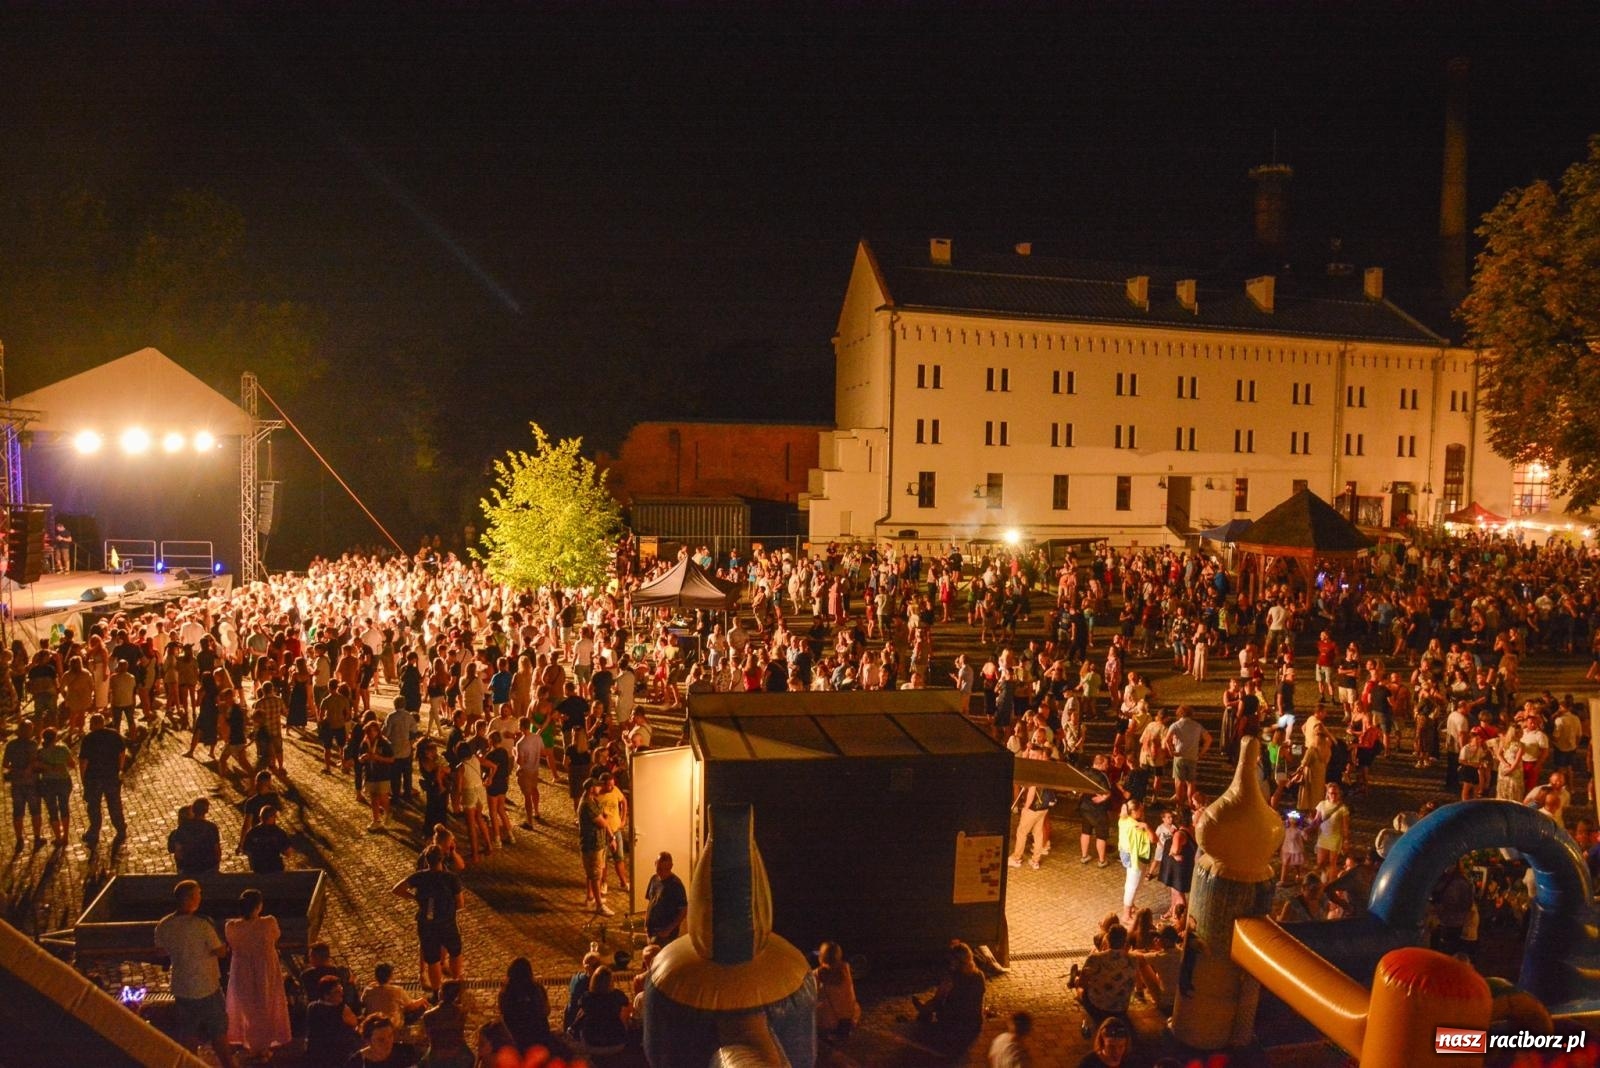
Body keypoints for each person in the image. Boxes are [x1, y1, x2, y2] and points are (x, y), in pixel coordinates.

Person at [154, 880, 236, 1068]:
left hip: (181, 987)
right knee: (218, 1030)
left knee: (188, 1032)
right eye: (198, 894)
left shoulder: (164, 925)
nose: (200, 897)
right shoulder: (201, 925)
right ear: (190, 899)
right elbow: (220, 951)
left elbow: (160, 952)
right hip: (206, 986)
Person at [225, 888, 292, 1058]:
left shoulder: (232, 927)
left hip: (242, 970)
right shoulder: (268, 923)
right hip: (265, 969)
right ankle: (261, 1046)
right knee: (265, 1005)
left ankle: (254, 1044)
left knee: (248, 1007)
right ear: (258, 906)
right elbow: (275, 936)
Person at [394, 845, 464, 996]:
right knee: (455, 952)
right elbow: (460, 903)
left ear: (426, 860)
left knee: (432, 959)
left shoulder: (419, 877)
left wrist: (415, 898)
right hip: (447, 923)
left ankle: (436, 991)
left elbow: (397, 889)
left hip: (426, 924)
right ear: (441, 859)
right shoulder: (450, 878)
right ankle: (456, 984)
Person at [911, 941, 986, 1055]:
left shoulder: (952, 977)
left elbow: (939, 999)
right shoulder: (979, 975)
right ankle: (925, 1009)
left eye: (951, 959)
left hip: (956, 1021)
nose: (950, 962)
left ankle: (924, 1010)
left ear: (956, 961)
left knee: (936, 1004)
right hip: (975, 1020)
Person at [1072, 923, 1137, 1037]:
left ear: (1107, 939)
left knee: (1079, 986)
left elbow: (1083, 982)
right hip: (1121, 1007)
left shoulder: (1096, 958)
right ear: (1124, 942)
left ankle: (1074, 983)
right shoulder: (1134, 959)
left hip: (1099, 1006)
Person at [77, 712, 128, 846]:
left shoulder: (88, 739)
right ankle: (120, 828)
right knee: (114, 804)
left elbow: (83, 762)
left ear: (93, 724)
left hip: (94, 778)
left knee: (94, 806)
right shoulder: (114, 735)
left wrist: (83, 779)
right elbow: (122, 753)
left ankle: (94, 832)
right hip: (111, 776)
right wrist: (120, 769)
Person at [569, 965, 630, 1055]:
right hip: (617, 1043)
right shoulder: (617, 995)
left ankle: (572, 1030)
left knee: (582, 1012)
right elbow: (626, 1007)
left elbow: (580, 1011)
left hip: (591, 1044)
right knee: (624, 1011)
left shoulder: (587, 997)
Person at [497, 957, 554, 1053]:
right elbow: (546, 1011)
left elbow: (503, 1012)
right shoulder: (537, 989)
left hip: (514, 1037)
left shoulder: (505, 992)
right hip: (538, 1036)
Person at [4, 718, 43, 851]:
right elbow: (36, 762)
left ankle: (19, 839)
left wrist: (16, 769)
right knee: (35, 811)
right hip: (32, 782)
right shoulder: (32, 745)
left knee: (18, 812)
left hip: (17, 783)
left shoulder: (11, 745)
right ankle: (37, 838)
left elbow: (5, 764)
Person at [305, 975, 361, 1067]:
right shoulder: (341, 1009)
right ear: (326, 995)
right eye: (337, 992)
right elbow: (354, 1022)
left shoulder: (311, 1007)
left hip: (315, 1054)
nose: (341, 994)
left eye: (341, 990)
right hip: (337, 1055)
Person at [1163, 704, 1212, 809]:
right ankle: (1191, 804)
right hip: (1192, 757)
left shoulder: (1175, 725)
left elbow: (1167, 740)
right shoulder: (1197, 726)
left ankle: (1179, 806)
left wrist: (1172, 752)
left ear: (1179, 714)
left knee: (1179, 782)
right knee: (1191, 783)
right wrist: (1201, 752)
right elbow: (1208, 739)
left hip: (1179, 757)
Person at [578, 776, 613, 916]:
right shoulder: (587, 804)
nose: (600, 788)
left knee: (593, 873)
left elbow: (603, 815)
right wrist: (612, 835)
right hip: (592, 845)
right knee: (595, 875)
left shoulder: (593, 801)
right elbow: (602, 822)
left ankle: (591, 897)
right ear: (592, 789)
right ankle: (599, 905)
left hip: (598, 843)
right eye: (597, 786)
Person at [35, 726, 75, 847]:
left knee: (52, 811)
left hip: (48, 783)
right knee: (64, 807)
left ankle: (58, 837)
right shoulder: (63, 749)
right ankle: (65, 836)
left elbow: (37, 767)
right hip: (63, 781)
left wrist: (47, 767)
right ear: (55, 737)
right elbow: (72, 764)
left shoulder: (40, 752)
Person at [815, 941, 861, 1043]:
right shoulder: (845, 969)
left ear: (821, 957)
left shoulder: (817, 974)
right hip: (850, 1019)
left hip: (829, 1022)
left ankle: (829, 1032)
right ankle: (842, 1031)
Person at [361, 962, 426, 1028]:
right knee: (420, 1007)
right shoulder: (397, 990)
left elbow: (363, 1002)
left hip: (374, 1024)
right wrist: (421, 1000)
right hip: (392, 1024)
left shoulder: (368, 990)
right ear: (390, 976)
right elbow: (411, 1006)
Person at [169, 797, 223, 873]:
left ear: (193, 810)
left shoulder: (183, 828)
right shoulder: (211, 827)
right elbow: (216, 849)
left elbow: (178, 850)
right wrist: (216, 866)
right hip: (208, 867)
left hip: (189, 867)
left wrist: (181, 867)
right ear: (206, 811)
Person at [645, 851, 688, 944]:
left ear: (670, 866)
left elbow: (683, 910)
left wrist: (668, 930)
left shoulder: (676, 885)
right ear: (655, 864)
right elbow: (651, 902)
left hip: (664, 934)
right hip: (651, 930)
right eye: (659, 869)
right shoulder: (654, 879)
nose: (661, 872)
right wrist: (646, 922)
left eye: (665, 869)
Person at [348, 1013, 420, 1067]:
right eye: (381, 1040)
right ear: (368, 1041)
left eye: (390, 1036)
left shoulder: (405, 1052)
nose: (388, 1042)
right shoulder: (357, 1062)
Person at [241, 804, 295, 873]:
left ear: (260, 817)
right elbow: (288, 852)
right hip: (275, 868)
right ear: (273, 817)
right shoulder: (278, 832)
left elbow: (246, 850)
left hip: (258, 868)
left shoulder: (252, 832)